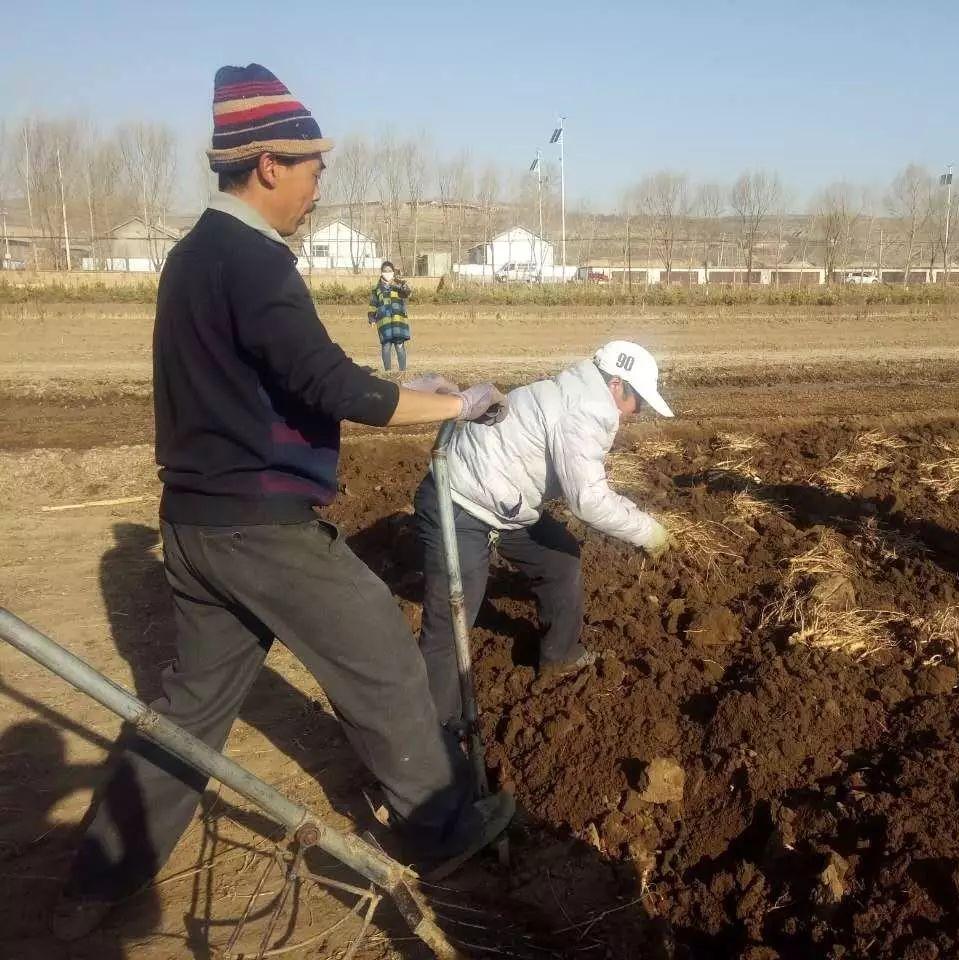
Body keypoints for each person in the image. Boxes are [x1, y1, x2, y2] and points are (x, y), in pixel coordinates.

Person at [55, 63, 511, 940]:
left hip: (191, 522)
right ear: (268, 164)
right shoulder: (253, 260)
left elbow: (272, 380)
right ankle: (438, 822)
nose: (319, 184)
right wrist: (454, 403)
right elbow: (328, 383)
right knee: (377, 641)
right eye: (313, 165)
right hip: (255, 522)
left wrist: (409, 383)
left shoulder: (195, 255)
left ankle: (101, 873)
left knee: (190, 708)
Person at [414, 341, 674, 727]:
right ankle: (435, 736)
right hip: (460, 501)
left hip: (504, 502)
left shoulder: (579, 391)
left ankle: (561, 656)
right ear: (617, 385)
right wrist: (648, 531)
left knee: (559, 558)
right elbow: (588, 500)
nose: (638, 413)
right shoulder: (586, 409)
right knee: (454, 616)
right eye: (639, 401)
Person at [369, 260, 412, 372]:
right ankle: (388, 372)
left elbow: (408, 292)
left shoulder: (398, 285)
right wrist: (372, 318)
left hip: (399, 321)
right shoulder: (376, 288)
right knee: (386, 346)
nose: (387, 273)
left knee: (399, 346)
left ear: (393, 272)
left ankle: (403, 371)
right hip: (384, 322)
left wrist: (400, 282)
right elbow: (373, 304)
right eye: (385, 271)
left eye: (389, 271)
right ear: (381, 272)